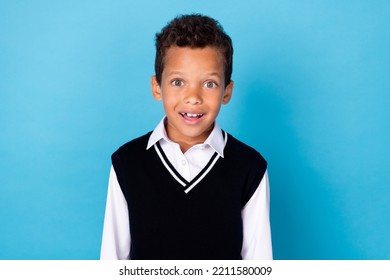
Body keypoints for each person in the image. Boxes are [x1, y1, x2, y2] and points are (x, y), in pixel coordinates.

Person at [100, 14, 272, 260]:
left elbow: (258, 262)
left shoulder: (250, 167)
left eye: (209, 84)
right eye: (178, 81)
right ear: (157, 87)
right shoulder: (127, 162)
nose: (193, 97)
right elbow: (112, 259)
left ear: (227, 92)